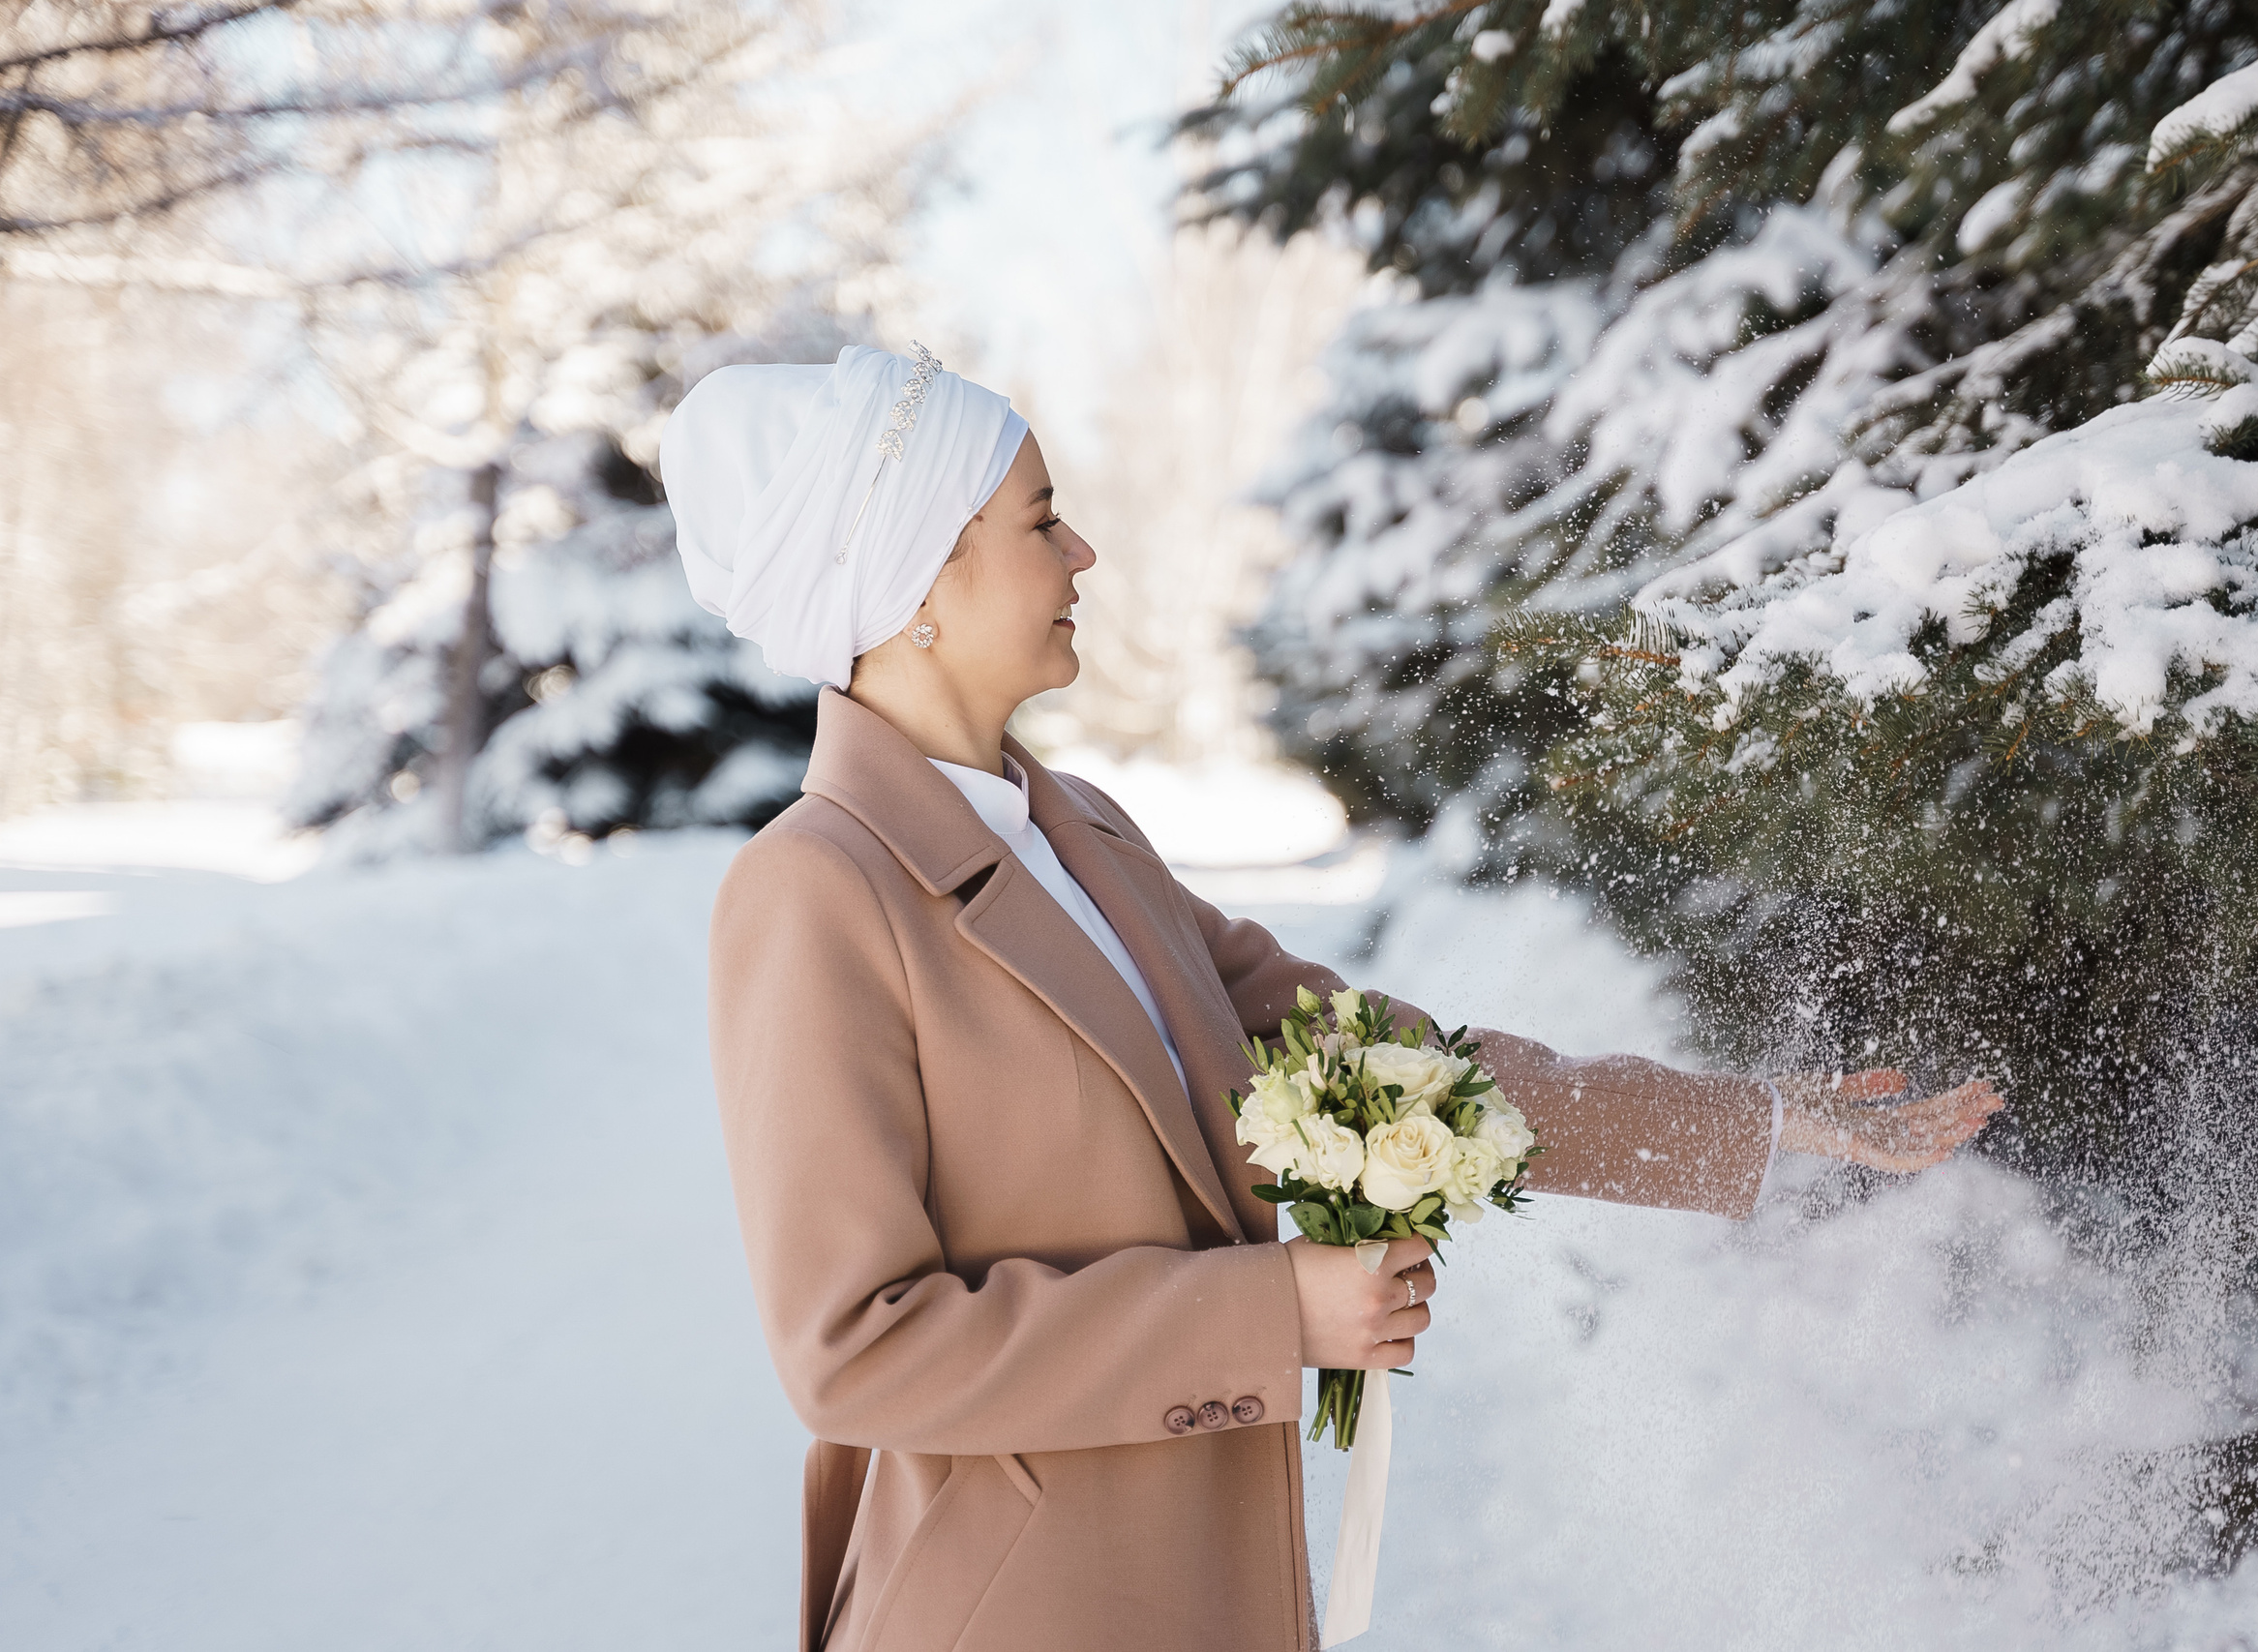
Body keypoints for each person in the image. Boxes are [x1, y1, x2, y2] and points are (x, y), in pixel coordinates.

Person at [662, 345, 2002, 1652]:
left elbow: (1389, 1072)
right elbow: (856, 1353)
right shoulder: (819, 889)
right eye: (1042, 519)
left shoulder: (1086, 834)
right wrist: (1273, 1315)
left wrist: (1753, 1121)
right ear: (916, 579)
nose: (1083, 554)